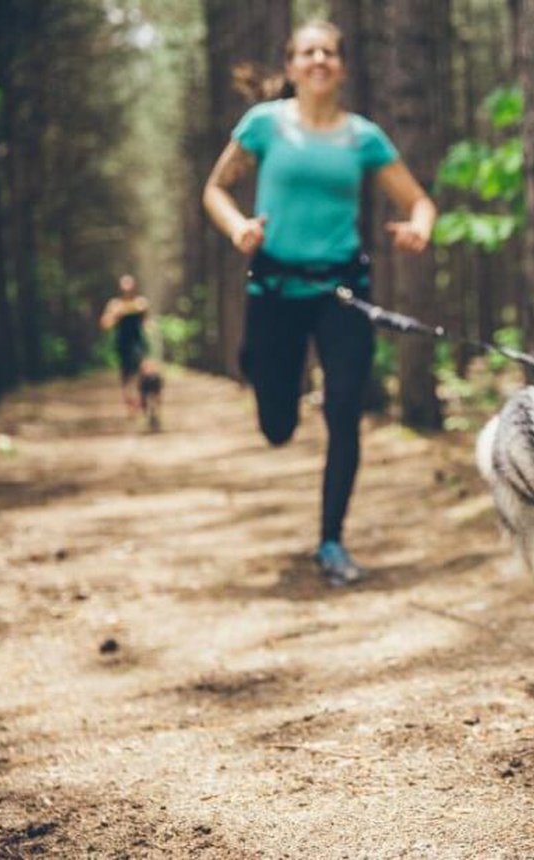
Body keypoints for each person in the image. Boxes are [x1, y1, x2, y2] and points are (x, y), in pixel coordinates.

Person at [202, 20, 436, 587]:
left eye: (328, 52)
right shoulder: (263, 126)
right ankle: (262, 374)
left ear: (343, 67)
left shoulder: (363, 137)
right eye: (308, 52)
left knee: (344, 411)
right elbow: (215, 189)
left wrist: (418, 228)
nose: (319, 60)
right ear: (291, 66)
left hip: (342, 292)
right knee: (278, 425)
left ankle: (331, 540)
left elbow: (419, 200)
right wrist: (238, 229)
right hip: (275, 290)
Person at [99, 274, 151, 417]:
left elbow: (147, 323)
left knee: (143, 371)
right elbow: (104, 324)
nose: (127, 290)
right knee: (126, 376)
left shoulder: (141, 302)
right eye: (124, 287)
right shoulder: (115, 304)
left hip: (138, 342)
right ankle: (130, 404)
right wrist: (116, 315)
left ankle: (143, 399)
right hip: (123, 343)